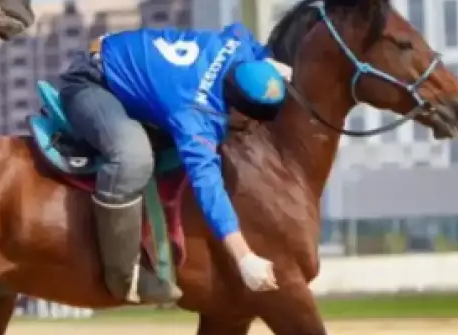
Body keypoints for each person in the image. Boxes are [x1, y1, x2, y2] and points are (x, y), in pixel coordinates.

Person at [57, 23, 288, 305]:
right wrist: (243, 256)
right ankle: (123, 275)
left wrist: (265, 59)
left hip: (123, 55)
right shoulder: (193, 116)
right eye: (249, 121)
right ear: (236, 108)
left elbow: (239, 31)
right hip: (92, 81)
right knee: (133, 157)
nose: (252, 128)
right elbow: (207, 184)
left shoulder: (238, 51)